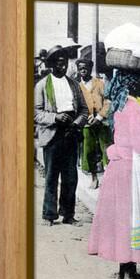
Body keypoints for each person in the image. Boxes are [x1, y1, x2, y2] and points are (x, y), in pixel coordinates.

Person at [88, 68, 140, 279]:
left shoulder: (119, 105)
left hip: (117, 168)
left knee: (121, 219)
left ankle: (124, 267)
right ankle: (130, 267)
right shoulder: (134, 108)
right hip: (129, 171)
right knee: (132, 218)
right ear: (134, 85)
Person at [34, 45, 88, 226]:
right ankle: (49, 215)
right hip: (52, 134)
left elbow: (83, 109)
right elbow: (36, 113)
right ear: (50, 65)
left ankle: (68, 214)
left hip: (71, 133)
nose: (62, 67)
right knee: (51, 176)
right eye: (58, 64)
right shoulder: (42, 85)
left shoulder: (73, 84)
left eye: (64, 63)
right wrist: (55, 117)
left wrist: (77, 122)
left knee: (70, 176)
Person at [76, 58, 112, 189]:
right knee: (89, 151)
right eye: (80, 68)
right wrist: (86, 118)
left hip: (102, 122)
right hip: (87, 123)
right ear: (78, 70)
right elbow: (77, 106)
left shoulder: (99, 83)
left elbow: (108, 101)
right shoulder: (77, 86)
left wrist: (100, 117)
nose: (83, 70)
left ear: (90, 69)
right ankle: (94, 177)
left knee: (106, 150)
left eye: (85, 68)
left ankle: (109, 178)